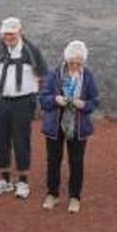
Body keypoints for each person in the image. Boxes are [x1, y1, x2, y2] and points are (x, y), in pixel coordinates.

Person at [0, 17, 46, 200]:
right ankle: (5, 179)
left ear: (20, 31)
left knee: (21, 140)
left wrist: (37, 98)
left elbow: (42, 73)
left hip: (23, 102)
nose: (8, 37)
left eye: (12, 33)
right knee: (0, 140)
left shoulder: (31, 50)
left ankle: (23, 181)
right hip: (0, 101)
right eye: (5, 34)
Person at [40, 41, 100, 215]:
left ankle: (75, 197)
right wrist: (55, 100)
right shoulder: (54, 74)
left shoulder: (88, 76)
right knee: (53, 160)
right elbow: (43, 99)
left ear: (83, 61)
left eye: (78, 62)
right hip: (55, 125)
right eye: (72, 62)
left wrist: (84, 105)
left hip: (78, 126)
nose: (75, 65)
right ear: (66, 59)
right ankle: (52, 194)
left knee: (76, 161)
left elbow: (95, 101)